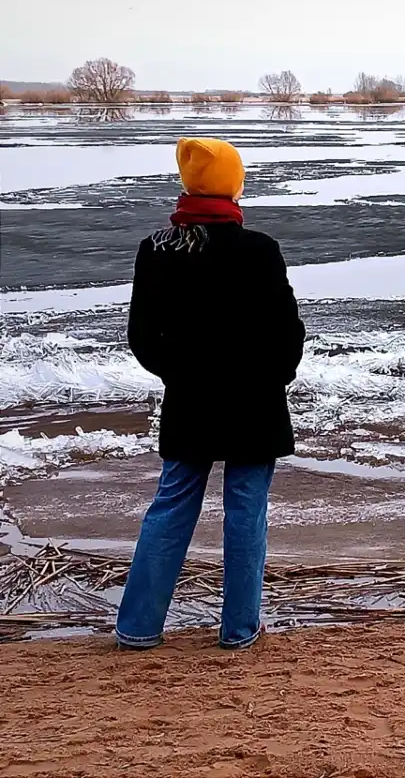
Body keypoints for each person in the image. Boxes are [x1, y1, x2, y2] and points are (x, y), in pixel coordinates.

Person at [115, 137, 305, 650]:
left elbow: (141, 336)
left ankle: (137, 628)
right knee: (247, 510)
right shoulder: (259, 249)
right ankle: (239, 630)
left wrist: (180, 374)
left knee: (172, 505)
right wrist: (274, 377)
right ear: (232, 186)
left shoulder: (157, 248)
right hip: (254, 402)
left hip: (190, 401)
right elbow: (287, 330)